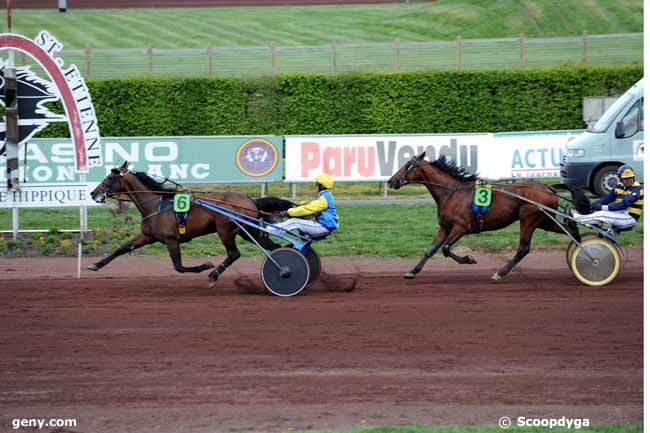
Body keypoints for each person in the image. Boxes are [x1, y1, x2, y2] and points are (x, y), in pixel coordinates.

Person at [573, 165, 643, 229]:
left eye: (631, 178)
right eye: (626, 178)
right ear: (620, 179)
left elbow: (623, 205)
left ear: (634, 177)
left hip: (629, 217)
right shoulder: (619, 187)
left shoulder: (638, 189)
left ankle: (575, 218)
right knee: (598, 211)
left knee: (603, 214)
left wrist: (602, 207)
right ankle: (579, 214)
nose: (629, 180)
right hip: (620, 214)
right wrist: (591, 206)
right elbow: (606, 199)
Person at [273, 173, 338, 237]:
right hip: (324, 225)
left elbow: (307, 209)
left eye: (317, 184)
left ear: (322, 186)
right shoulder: (325, 195)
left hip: (323, 226)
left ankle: (271, 230)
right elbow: (309, 205)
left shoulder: (324, 198)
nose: (315, 186)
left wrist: (288, 212)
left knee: (294, 222)